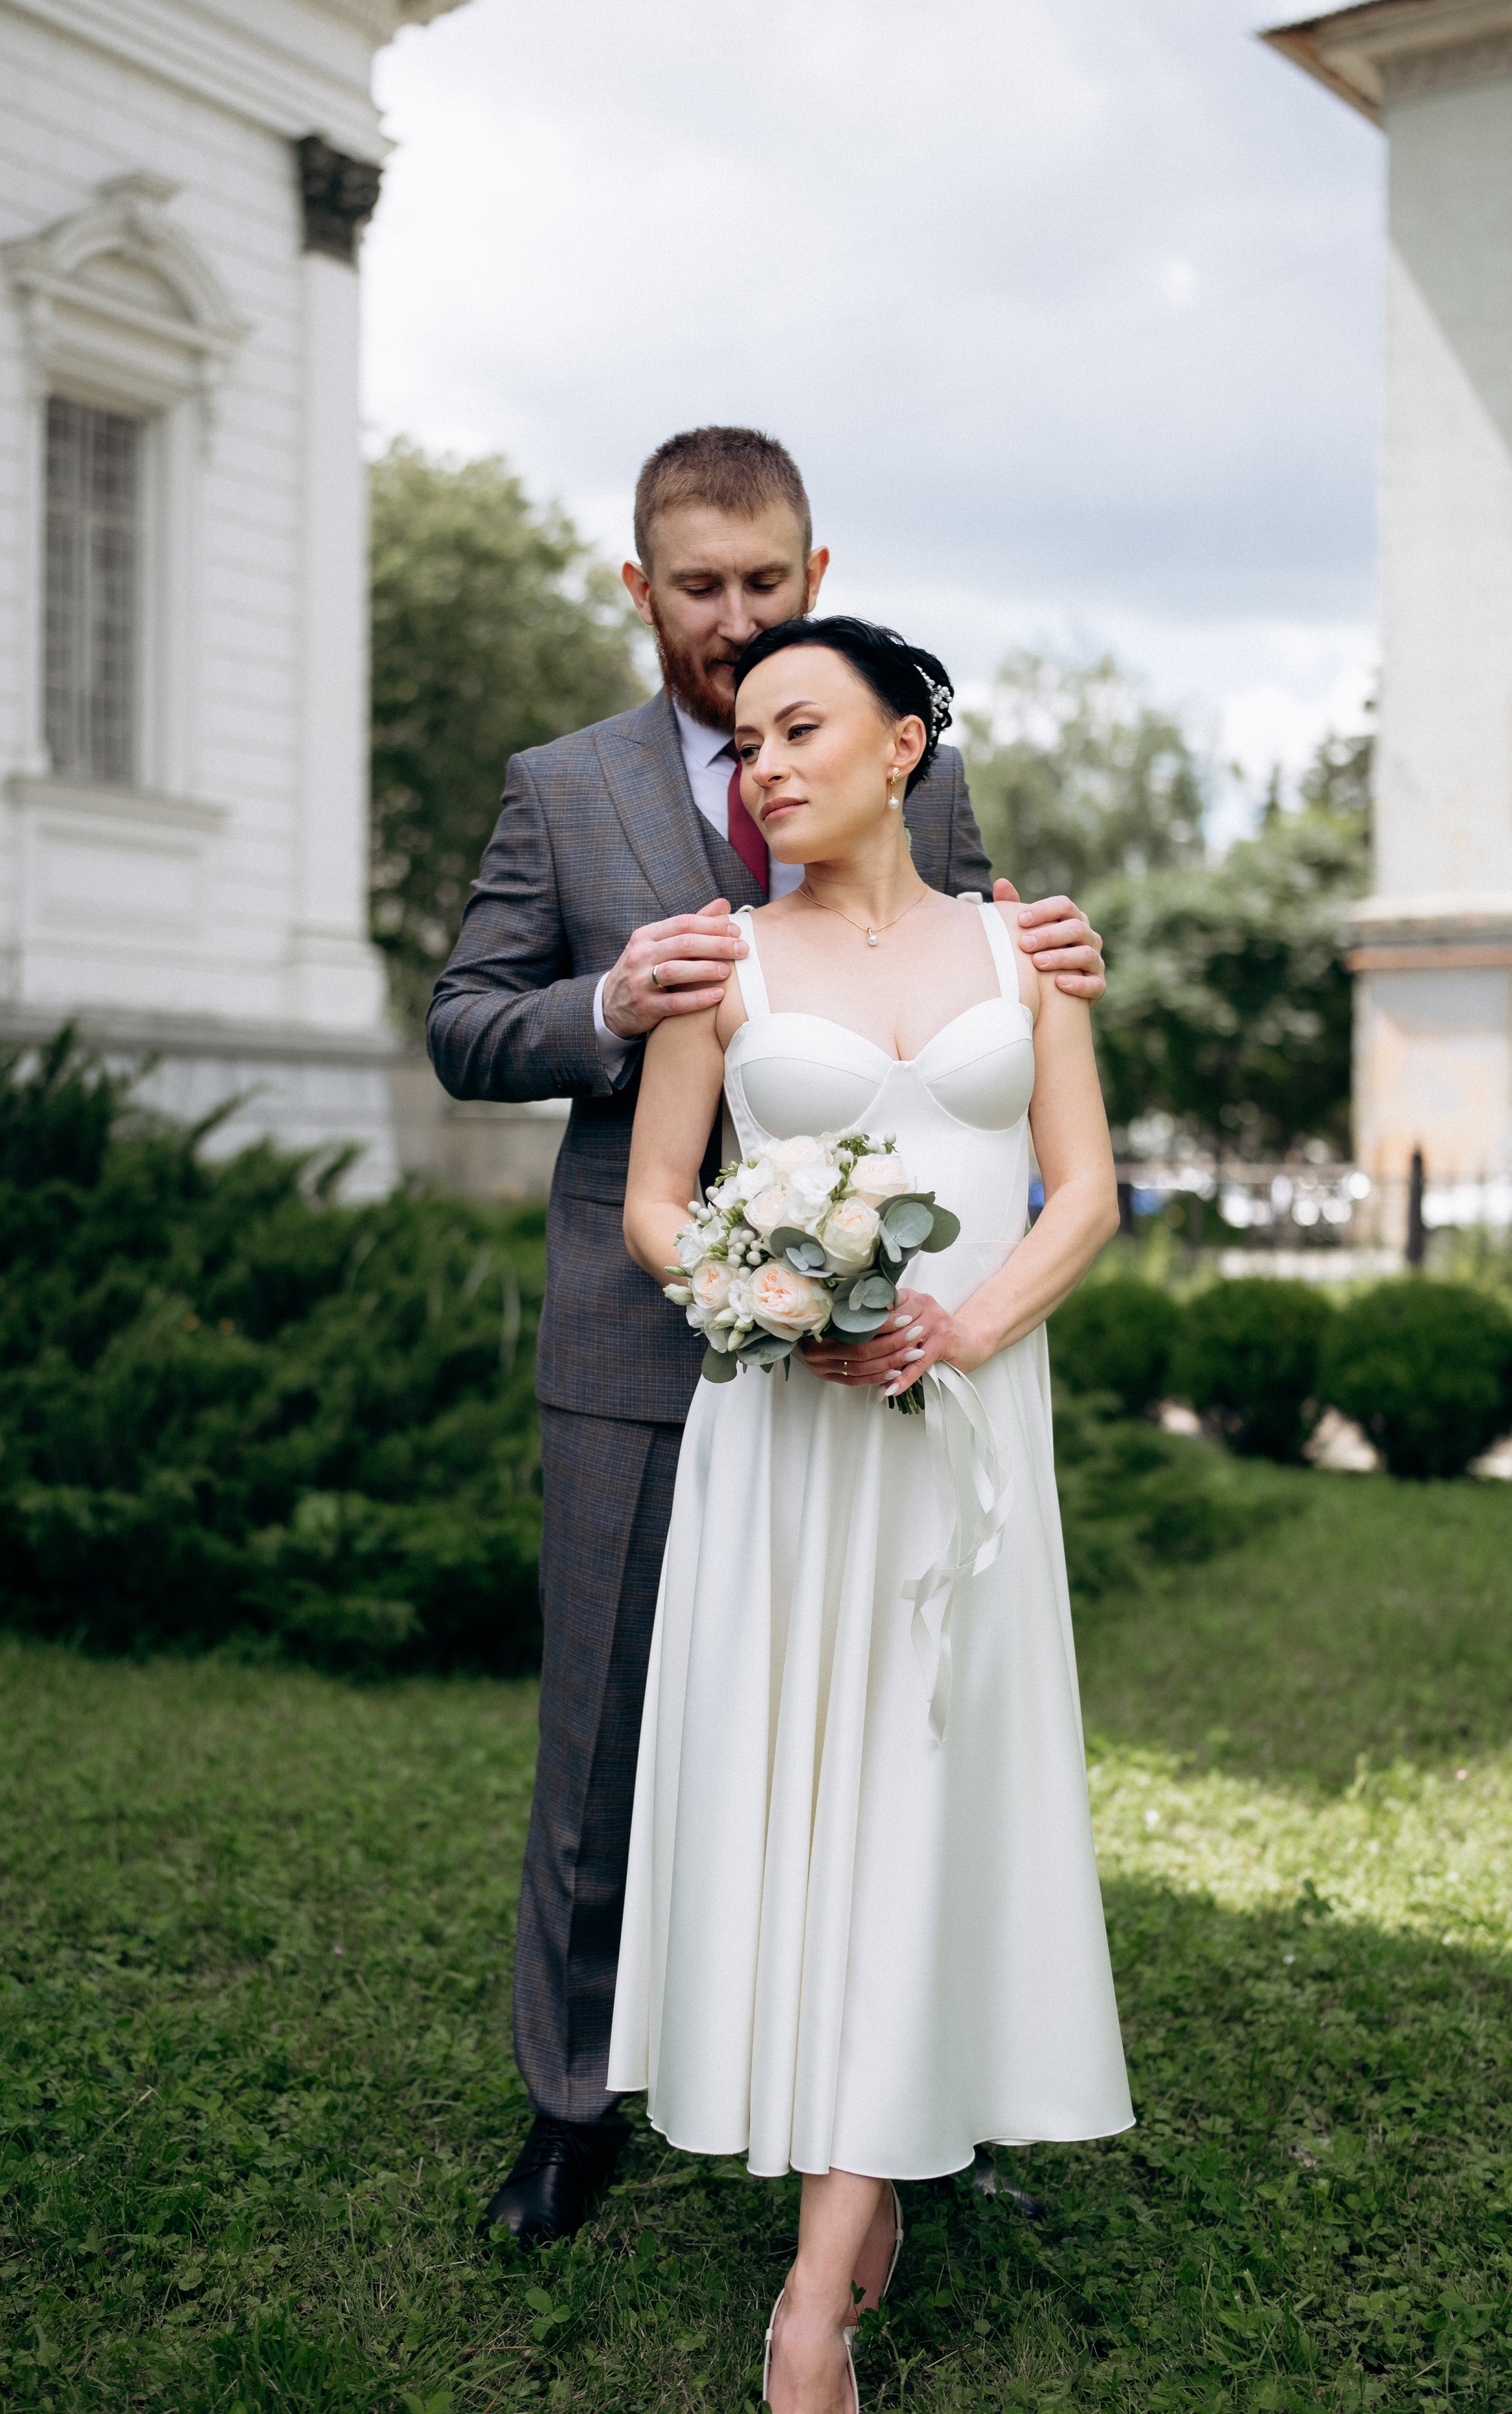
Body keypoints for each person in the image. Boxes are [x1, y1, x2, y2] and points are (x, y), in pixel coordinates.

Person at [425, 427, 1109, 2249]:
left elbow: (972, 962)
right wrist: (603, 1000)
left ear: (815, 576)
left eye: (764, 583)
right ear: (639, 588)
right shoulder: (561, 790)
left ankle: (912, 2076)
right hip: (637, 1341)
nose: (733, 620)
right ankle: (577, 2104)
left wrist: (1059, 950)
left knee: (901, 1725)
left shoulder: (897, 759)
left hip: (893, 1366)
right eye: (698, 587)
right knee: (603, 1740)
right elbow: (464, 1023)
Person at [610, 614, 1134, 2414]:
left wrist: (966, 1327)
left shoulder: (1027, 949)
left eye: (801, 727)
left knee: (926, 1800)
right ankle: (848, 2204)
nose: (763, 764)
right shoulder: (719, 962)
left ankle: (815, 2293)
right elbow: (656, 1206)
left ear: (905, 743)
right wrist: (775, 1293)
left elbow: (1085, 1189)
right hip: (793, 1449)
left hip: (969, 1446)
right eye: (747, 739)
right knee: (813, 1813)